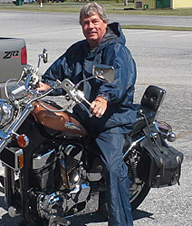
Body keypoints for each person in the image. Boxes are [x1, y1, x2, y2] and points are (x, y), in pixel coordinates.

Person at [37, 2, 137, 225]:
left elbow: (118, 80)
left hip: (111, 120)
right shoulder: (79, 50)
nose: (90, 26)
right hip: (84, 114)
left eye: (94, 21)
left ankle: (121, 221)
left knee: (113, 168)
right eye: (85, 23)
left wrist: (103, 98)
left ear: (104, 23)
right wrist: (41, 85)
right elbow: (57, 72)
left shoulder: (117, 51)